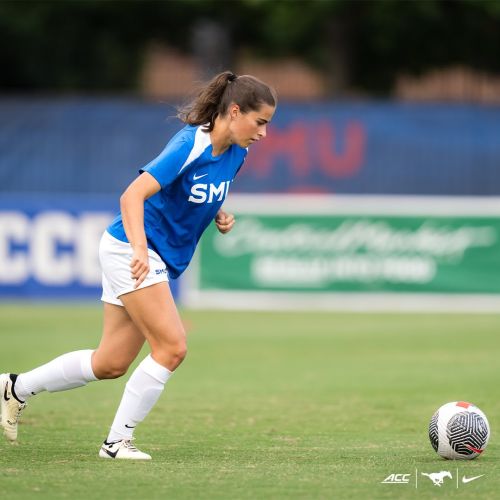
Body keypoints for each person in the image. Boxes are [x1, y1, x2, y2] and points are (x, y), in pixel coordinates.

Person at [0, 71, 277, 460]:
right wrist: (139, 250)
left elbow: (197, 190)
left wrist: (219, 212)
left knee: (110, 362)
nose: (264, 133)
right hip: (133, 250)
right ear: (234, 111)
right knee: (173, 346)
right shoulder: (189, 144)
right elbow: (132, 195)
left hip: (146, 253)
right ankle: (116, 443)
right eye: (260, 122)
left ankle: (15, 387)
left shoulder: (238, 152)